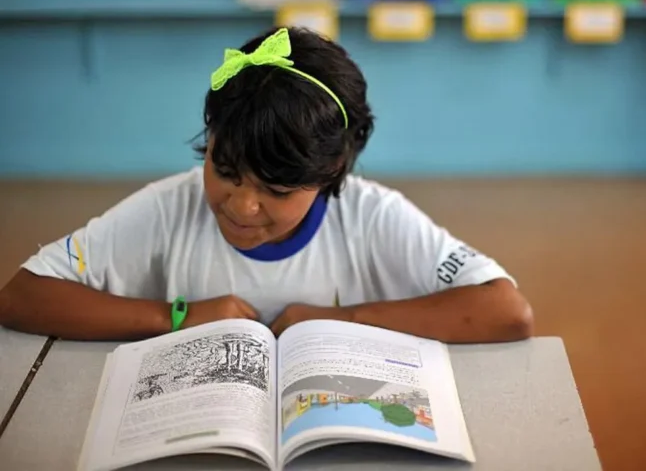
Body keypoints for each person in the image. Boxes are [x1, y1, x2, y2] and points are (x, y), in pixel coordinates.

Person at [0, 26, 533, 344]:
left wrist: (338, 320)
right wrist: (175, 317)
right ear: (209, 140)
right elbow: (21, 296)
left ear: (330, 176)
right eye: (225, 170)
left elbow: (506, 311)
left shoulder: (371, 217)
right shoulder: (171, 208)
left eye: (277, 191)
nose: (242, 206)